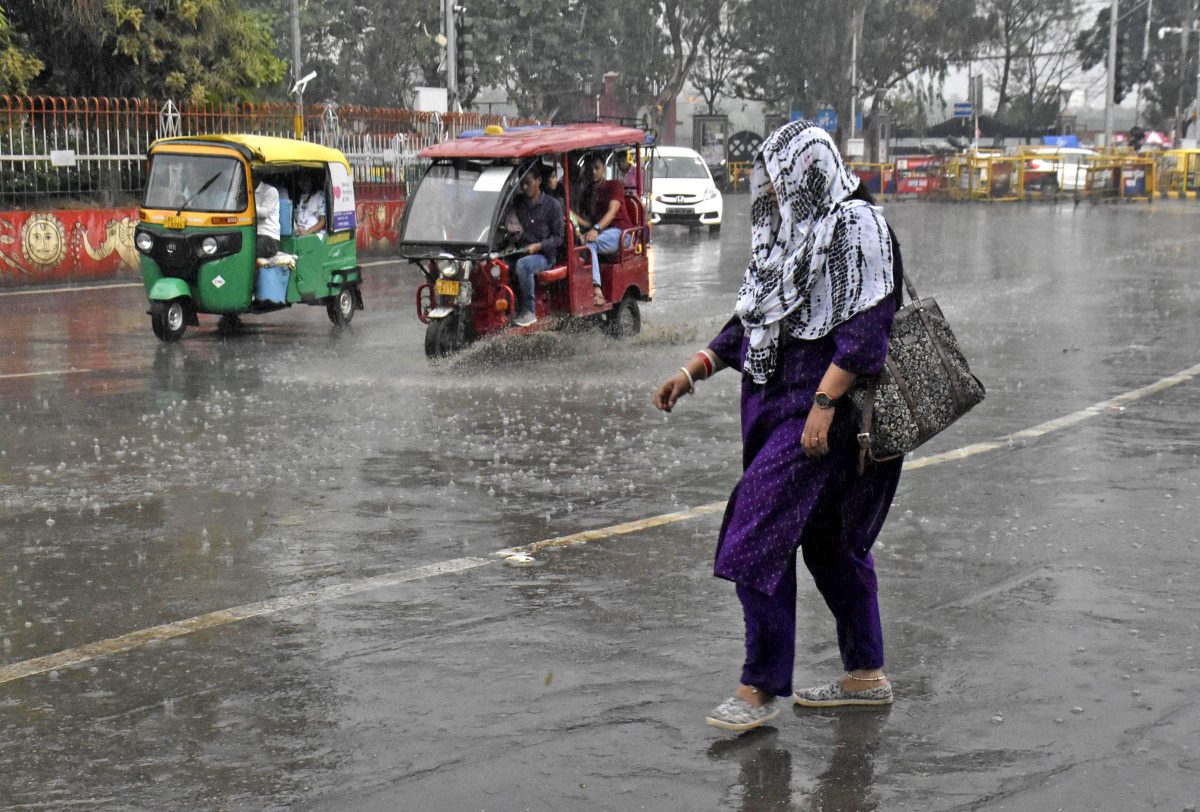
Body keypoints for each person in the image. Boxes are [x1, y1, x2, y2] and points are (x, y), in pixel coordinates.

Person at [652, 121, 905, 733]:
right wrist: (696, 368)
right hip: (783, 411)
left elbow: (869, 328)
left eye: (776, 177)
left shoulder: (855, 228)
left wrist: (823, 403)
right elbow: (756, 321)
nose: (766, 191)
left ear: (807, 173)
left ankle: (758, 687)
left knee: (755, 528)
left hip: (826, 416)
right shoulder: (790, 239)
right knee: (826, 542)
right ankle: (865, 675)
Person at [575, 154, 633, 307]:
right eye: (589, 169)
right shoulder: (587, 192)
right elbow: (587, 222)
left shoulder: (614, 186)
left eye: (597, 168)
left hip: (620, 233)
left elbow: (612, 212)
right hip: (601, 233)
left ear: (603, 169)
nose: (593, 172)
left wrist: (595, 229)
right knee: (578, 242)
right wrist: (571, 216)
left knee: (589, 244)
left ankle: (596, 290)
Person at [511, 167, 564, 327]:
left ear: (539, 181)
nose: (524, 187)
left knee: (523, 265)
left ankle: (529, 310)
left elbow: (558, 238)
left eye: (528, 183)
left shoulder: (553, 206)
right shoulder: (518, 202)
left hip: (545, 257)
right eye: (522, 184)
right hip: (520, 251)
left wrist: (538, 246)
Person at [254, 175, 281, 258]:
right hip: (253, 234)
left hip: (269, 236)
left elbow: (264, 213)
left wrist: (247, 207)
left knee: (251, 248)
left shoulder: (270, 191)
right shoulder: (246, 191)